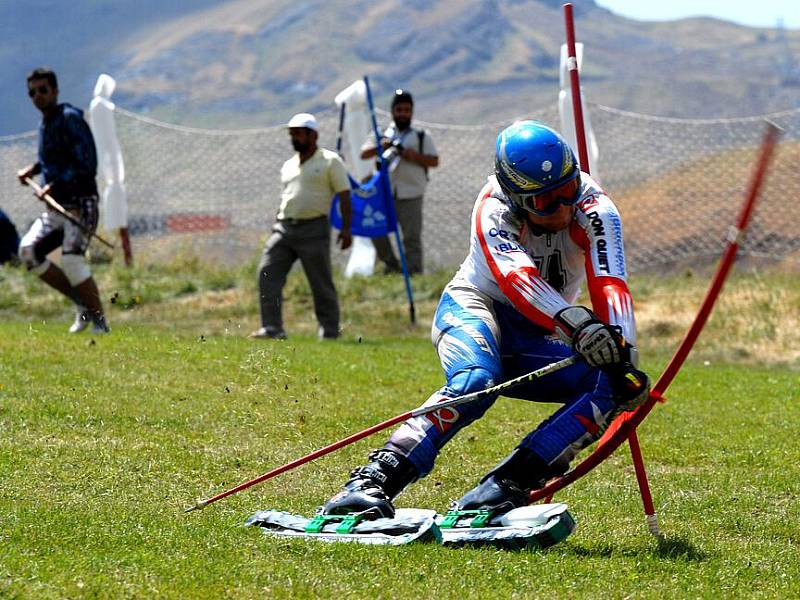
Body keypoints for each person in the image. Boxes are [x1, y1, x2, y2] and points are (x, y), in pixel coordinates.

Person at [323, 121, 649, 519]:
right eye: (546, 202)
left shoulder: (596, 209)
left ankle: (506, 485)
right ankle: (372, 481)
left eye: (567, 191)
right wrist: (578, 325)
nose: (563, 208)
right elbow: (518, 281)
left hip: (540, 334)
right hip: (476, 307)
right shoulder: (493, 207)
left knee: (611, 383)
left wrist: (621, 349)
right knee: (477, 382)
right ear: (516, 198)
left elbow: (611, 282)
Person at [17, 67, 110, 334]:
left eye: (43, 90)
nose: (38, 96)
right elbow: (52, 159)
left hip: (81, 204)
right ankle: (82, 304)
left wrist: (53, 185)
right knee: (28, 252)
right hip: (55, 208)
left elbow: (86, 162)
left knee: (71, 260)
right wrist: (33, 171)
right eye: (32, 92)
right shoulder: (45, 124)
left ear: (55, 91)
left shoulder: (70, 118)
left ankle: (100, 322)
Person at [251, 113, 353, 341]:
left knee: (320, 282)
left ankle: (329, 331)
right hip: (284, 228)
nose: (294, 138)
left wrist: (346, 229)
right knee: (267, 272)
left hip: (314, 229)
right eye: (292, 134)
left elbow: (345, 196)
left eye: (298, 133)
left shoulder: (330, 161)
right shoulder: (288, 165)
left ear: (313, 135)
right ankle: (272, 328)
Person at [360, 89, 438, 274]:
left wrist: (413, 156)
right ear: (392, 111)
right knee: (377, 231)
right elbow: (364, 153)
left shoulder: (421, 136)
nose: (403, 113)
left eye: (406, 110)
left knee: (411, 237)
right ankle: (391, 267)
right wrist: (382, 146)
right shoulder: (381, 134)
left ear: (411, 112)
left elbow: (434, 161)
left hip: (412, 193)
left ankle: (414, 273)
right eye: (399, 109)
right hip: (385, 193)